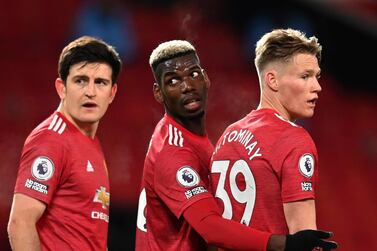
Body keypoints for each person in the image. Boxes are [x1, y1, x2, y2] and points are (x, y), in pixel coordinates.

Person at [135, 40, 337, 251]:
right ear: (158, 93)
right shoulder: (172, 151)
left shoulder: (228, 135)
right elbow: (210, 227)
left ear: (205, 78)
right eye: (173, 81)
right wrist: (285, 244)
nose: (187, 86)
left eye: (193, 75)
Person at [210, 28, 331, 246]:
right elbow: (304, 240)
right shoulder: (294, 139)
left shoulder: (228, 135)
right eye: (305, 76)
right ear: (273, 80)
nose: (317, 87)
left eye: (317, 76)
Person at [7, 36, 122, 250]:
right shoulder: (51, 139)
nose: (90, 91)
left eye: (100, 82)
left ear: (112, 93)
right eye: (80, 80)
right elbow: (20, 223)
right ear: (61, 87)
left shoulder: (91, 143)